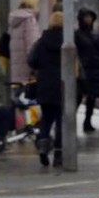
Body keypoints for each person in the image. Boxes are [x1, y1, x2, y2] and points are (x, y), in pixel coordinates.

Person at [27, 10, 68, 166]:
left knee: (46, 118)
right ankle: (58, 154)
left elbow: (31, 60)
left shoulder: (41, 41)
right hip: (62, 84)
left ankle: (43, 148)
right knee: (60, 120)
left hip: (44, 83)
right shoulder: (67, 41)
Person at [76, 8, 99, 132]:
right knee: (79, 97)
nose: (88, 20)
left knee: (92, 97)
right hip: (83, 69)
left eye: (90, 17)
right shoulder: (77, 35)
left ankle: (88, 121)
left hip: (95, 70)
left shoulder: (96, 34)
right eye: (86, 17)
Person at [7, 0, 41, 85]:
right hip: (27, 70)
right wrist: (36, 67)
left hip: (16, 69)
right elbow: (32, 46)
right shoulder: (29, 20)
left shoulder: (14, 20)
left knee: (18, 96)